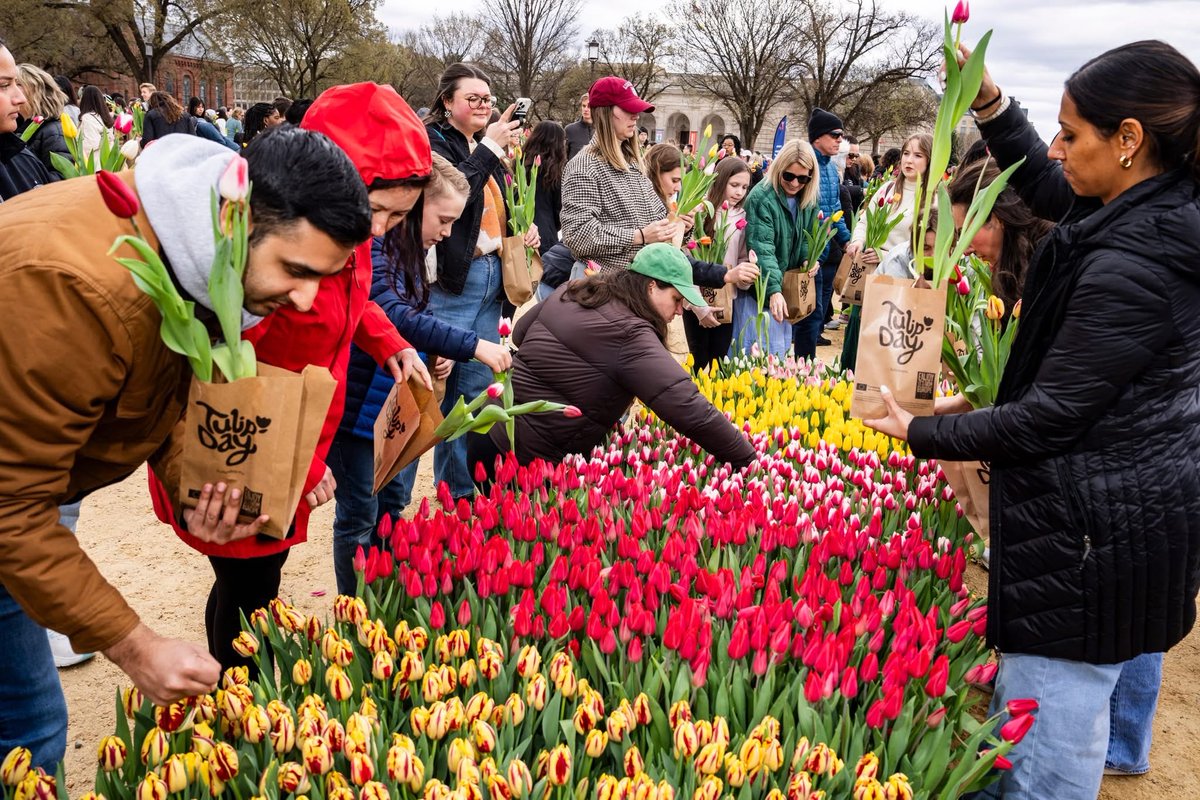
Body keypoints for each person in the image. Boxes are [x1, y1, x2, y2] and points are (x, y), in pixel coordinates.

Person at [864, 39, 1200, 799]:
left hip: (1088, 538)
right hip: (1124, 513)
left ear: (1128, 141)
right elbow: (1046, 189)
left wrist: (919, 431)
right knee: (1031, 723)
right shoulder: (1150, 211)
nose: (1056, 149)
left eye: (1071, 133)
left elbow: (1047, 420)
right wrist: (988, 103)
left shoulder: (1136, 269)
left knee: (1050, 745)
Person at [0, 123, 372, 773]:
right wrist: (135, 645)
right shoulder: (76, 290)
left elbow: (162, 394)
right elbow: (9, 510)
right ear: (237, 218)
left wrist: (195, 482)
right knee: (29, 723)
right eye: (296, 270)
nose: (306, 298)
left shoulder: (191, 251)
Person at [147, 83, 432, 673]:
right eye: (378, 209)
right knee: (248, 580)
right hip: (254, 442)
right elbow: (229, 375)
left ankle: (238, 689)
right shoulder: (280, 248)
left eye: (398, 218)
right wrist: (291, 460)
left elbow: (355, 304)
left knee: (251, 577)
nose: (379, 230)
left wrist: (390, 343)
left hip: (300, 435)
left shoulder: (336, 244)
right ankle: (241, 705)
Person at [331, 154, 514, 594]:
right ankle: (354, 605)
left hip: (393, 396)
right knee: (359, 510)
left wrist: (433, 352)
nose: (448, 232)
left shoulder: (411, 249)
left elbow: (413, 312)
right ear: (414, 205)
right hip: (359, 400)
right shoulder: (374, 243)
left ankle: (386, 590)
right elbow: (389, 313)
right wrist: (473, 345)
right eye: (444, 220)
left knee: (394, 499)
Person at [468, 244, 756, 474]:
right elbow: (687, 406)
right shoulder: (632, 335)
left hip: (489, 428)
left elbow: (520, 333)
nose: (680, 311)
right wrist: (748, 459)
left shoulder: (575, 289)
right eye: (677, 299)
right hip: (525, 458)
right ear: (651, 286)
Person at [421, 63, 537, 502]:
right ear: (447, 102)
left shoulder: (484, 147)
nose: (484, 106)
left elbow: (489, 211)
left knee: (476, 389)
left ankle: (466, 488)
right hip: (455, 281)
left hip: (491, 276)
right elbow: (453, 195)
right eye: (473, 98)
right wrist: (488, 147)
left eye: (488, 99)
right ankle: (454, 488)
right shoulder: (436, 142)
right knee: (444, 389)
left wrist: (521, 231)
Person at [561, 76, 677, 275]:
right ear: (606, 113)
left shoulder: (633, 162)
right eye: (627, 109)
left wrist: (677, 223)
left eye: (636, 109)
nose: (636, 116)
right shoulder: (583, 166)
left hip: (633, 285)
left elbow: (655, 216)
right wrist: (639, 236)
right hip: (601, 288)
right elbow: (577, 235)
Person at [841, 133, 931, 370]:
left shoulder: (932, 200)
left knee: (886, 353)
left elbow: (925, 248)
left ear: (931, 160)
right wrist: (859, 242)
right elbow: (864, 222)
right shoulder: (888, 189)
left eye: (918, 155)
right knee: (858, 346)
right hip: (871, 278)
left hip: (903, 287)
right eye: (906, 154)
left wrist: (883, 255)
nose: (909, 160)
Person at [735, 139, 820, 358]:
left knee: (778, 355)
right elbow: (762, 248)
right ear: (778, 169)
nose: (794, 183)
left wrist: (806, 259)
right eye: (788, 176)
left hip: (785, 288)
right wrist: (773, 290)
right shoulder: (761, 197)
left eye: (803, 178)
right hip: (761, 292)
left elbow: (806, 236)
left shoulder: (808, 198)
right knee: (756, 355)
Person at [947, 158, 1053, 314]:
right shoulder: (1014, 269)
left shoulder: (1051, 263)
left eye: (966, 232)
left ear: (996, 219)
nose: (965, 250)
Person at [684, 156, 754, 371]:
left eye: (744, 187)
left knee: (719, 359)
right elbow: (686, 260)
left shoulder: (741, 216)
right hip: (695, 300)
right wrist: (695, 304)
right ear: (719, 181)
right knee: (697, 358)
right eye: (734, 185)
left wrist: (745, 279)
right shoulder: (699, 212)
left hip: (726, 298)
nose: (739, 192)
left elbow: (741, 256)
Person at [796, 108, 850, 357]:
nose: (840, 139)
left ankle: (805, 363)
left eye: (842, 134)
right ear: (818, 137)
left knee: (816, 311)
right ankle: (801, 365)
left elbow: (834, 209)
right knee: (807, 312)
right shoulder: (806, 165)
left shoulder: (830, 168)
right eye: (835, 134)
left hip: (823, 250)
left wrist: (847, 240)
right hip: (805, 253)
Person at [522, 120, 567, 255]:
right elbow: (559, 208)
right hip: (545, 234)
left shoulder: (521, 164)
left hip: (521, 229)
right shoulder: (556, 172)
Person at [14, 64, 69, 174]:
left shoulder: (53, 132)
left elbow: (61, 179)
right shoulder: (17, 127)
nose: (12, 90)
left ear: (37, 91)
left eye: (18, 84)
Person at [76, 85, 114, 161]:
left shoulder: (87, 117)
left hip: (94, 162)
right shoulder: (105, 116)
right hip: (109, 158)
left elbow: (91, 144)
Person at [565, 92, 592, 159]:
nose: (585, 109)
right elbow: (563, 157)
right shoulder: (570, 129)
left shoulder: (602, 130)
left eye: (589, 106)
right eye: (583, 106)